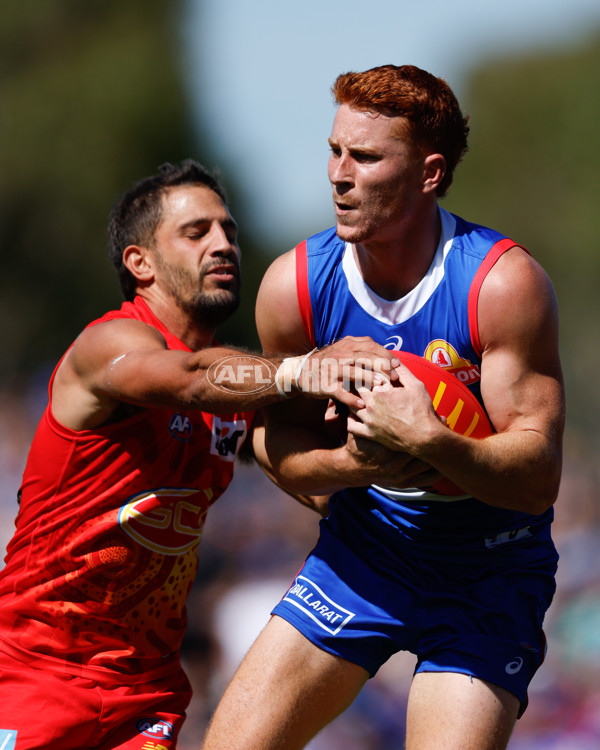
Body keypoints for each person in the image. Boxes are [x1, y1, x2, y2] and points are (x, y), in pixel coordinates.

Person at [200, 65, 565, 750]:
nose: (339, 174)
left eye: (365, 157)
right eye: (334, 151)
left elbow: (538, 475)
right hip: (365, 554)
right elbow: (273, 448)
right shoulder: (295, 287)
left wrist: (432, 441)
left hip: (489, 571)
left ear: (429, 174)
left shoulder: (502, 284)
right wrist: (348, 463)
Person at [0, 160, 400, 749]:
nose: (223, 245)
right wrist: (306, 367)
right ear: (140, 263)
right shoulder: (107, 345)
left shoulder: (234, 395)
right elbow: (190, 377)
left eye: (230, 232)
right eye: (197, 232)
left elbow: (305, 471)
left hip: (146, 692)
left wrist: (402, 463)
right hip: (35, 669)